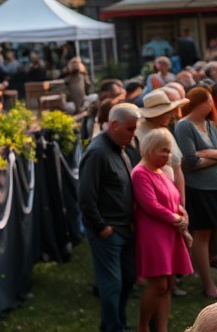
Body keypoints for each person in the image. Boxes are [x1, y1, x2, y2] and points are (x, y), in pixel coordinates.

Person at [79, 102, 141, 332]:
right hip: (108, 231)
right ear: (114, 125)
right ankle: (112, 328)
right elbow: (85, 197)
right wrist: (102, 226)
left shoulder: (120, 147)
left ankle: (118, 324)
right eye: (130, 129)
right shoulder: (97, 152)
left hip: (124, 228)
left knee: (128, 278)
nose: (134, 134)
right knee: (112, 283)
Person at [132, 128, 192, 332]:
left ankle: (162, 328)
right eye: (163, 151)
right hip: (153, 234)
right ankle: (143, 327)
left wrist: (183, 219)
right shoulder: (141, 173)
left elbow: (174, 199)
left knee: (168, 284)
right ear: (150, 149)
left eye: (169, 151)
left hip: (169, 232)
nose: (168, 156)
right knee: (158, 284)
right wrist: (178, 219)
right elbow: (151, 205)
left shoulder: (160, 172)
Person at [174, 87, 217, 298]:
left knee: (212, 233)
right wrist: (213, 156)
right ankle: (208, 285)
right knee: (203, 234)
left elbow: (200, 157)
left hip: (214, 187)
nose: (211, 106)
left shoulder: (208, 124)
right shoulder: (184, 126)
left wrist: (207, 154)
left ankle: (205, 272)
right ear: (200, 103)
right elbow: (190, 161)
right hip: (200, 189)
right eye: (208, 101)